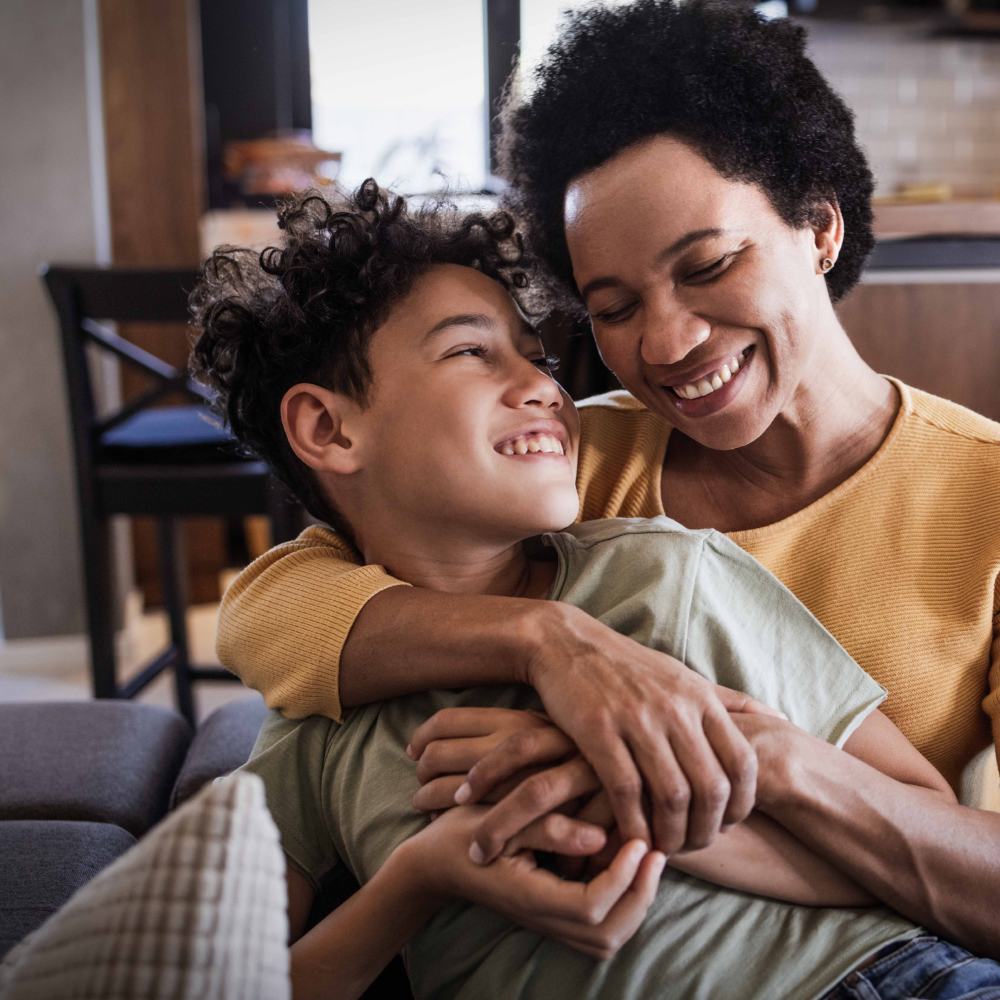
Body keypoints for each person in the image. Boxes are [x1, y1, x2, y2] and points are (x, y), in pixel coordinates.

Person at [214, 0, 1000, 959]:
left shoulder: (985, 498)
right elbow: (270, 612)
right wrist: (557, 645)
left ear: (820, 226)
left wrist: (745, 752)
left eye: (708, 264)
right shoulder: (565, 463)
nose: (666, 343)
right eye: (614, 307)